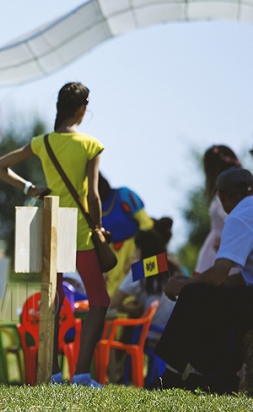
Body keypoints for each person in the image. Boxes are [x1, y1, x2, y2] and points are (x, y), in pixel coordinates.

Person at [0, 82, 108, 387]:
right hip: (80, 230)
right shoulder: (90, 145)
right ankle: (81, 373)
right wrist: (97, 227)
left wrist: (30, 188)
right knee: (99, 300)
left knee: (52, 299)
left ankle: (52, 372)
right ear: (83, 110)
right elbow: (93, 195)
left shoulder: (42, 142)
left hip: (52, 225)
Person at [156, 168, 253, 393]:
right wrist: (193, 282)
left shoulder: (239, 216)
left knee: (197, 295)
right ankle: (205, 377)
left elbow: (219, 275)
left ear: (223, 197)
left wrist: (184, 285)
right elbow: (243, 278)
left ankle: (170, 375)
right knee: (211, 296)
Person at [106, 222, 181, 384]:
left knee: (129, 324)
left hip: (154, 332)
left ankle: (116, 373)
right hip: (175, 329)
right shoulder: (169, 266)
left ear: (140, 250)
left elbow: (112, 304)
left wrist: (126, 308)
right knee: (135, 318)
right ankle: (125, 374)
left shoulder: (141, 270)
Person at [98, 173, 154, 297]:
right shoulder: (92, 207)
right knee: (113, 302)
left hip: (136, 254)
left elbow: (147, 224)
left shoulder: (123, 194)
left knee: (136, 297)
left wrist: (137, 257)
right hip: (113, 262)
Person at [194, 145, 241, 275]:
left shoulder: (224, 195)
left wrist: (227, 240)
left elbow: (235, 219)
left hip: (222, 252)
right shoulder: (236, 193)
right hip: (221, 250)